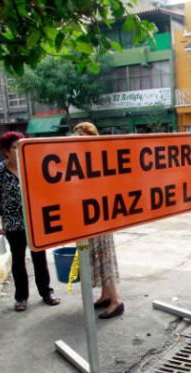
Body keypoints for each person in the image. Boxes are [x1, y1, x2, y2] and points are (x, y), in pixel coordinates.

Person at [0, 131, 61, 311]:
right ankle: (21, 297)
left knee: (40, 258)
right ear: (6, 151)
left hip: (35, 222)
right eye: (15, 147)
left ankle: (46, 292)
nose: (19, 150)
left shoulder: (32, 167)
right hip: (13, 224)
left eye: (21, 145)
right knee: (19, 261)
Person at [73, 122, 125, 319]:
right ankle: (105, 295)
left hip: (101, 216)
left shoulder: (99, 157)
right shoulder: (81, 158)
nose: (77, 139)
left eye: (80, 135)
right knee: (95, 258)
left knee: (105, 259)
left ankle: (115, 300)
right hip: (89, 217)